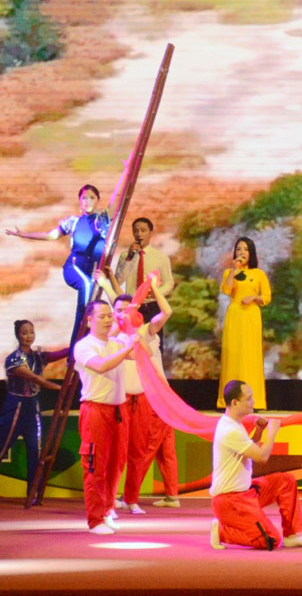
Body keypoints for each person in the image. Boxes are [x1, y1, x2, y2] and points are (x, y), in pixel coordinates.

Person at [6, 183, 125, 345]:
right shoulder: (73, 222)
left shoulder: (103, 220)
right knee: (87, 287)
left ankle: (79, 342)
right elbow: (50, 235)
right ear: (79, 201)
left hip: (90, 274)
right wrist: (23, 234)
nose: (88, 201)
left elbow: (117, 196)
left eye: (92, 198)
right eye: (84, 198)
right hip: (73, 268)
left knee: (90, 304)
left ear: (98, 200)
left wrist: (126, 172)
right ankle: (84, 329)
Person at [210, 380, 302, 550]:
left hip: (245, 492)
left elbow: (247, 450)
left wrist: (259, 431)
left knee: (286, 481)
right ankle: (222, 532)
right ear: (235, 403)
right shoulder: (230, 430)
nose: (253, 402)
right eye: (248, 398)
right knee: (271, 540)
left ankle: (292, 535)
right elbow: (261, 457)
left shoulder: (233, 424)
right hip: (231, 501)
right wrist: (272, 432)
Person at [110, 278, 179, 514]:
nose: (123, 314)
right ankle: (110, 498)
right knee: (117, 452)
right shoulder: (110, 337)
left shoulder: (143, 332)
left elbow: (166, 313)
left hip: (144, 399)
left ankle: (131, 499)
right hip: (119, 400)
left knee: (140, 451)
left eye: (127, 310)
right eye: (118, 311)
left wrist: (152, 286)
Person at [74, 300, 141, 534]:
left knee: (115, 465)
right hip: (95, 411)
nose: (107, 320)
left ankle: (107, 511)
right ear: (90, 320)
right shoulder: (84, 346)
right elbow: (101, 366)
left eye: (110, 316)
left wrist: (133, 330)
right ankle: (95, 520)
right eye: (102, 316)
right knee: (95, 467)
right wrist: (127, 348)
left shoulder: (116, 344)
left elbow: (146, 354)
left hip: (118, 410)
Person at [1, 321, 68, 499]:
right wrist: (58, 387)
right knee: (2, 447)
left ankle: (33, 491)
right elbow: (35, 379)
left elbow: (59, 354)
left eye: (31, 332)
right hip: (16, 408)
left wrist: (76, 346)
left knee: (35, 451)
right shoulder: (14, 359)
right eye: (24, 333)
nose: (29, 336)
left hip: (33, 408)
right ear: (18, 335)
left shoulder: (37, 356)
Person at [217, 237, 271, 409]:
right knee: (233, 356)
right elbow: (226, 290)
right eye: (239, 249)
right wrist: (233, 269)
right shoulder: (229, 272)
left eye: (245, 249)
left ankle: (254, 400)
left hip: (251, 317)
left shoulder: (259, 274)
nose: (241, 252)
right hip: (235, 316)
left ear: (251, 253)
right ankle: (228, 400)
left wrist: (254, 297)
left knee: (250, 356)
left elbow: (267, 297)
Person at [114, 217, 175, 354]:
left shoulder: (161, 257)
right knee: (131, 344)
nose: (139, 234)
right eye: (136, 231)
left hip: (152, 305)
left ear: (151, 233)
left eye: (143, 230)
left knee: (154, 345)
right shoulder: (125, 256)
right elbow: (118, 280)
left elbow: (169, 282)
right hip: (132, 308)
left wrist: (156, 293)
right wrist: (129, 258)